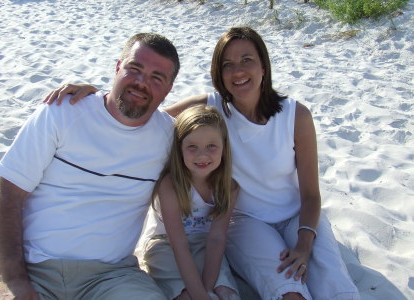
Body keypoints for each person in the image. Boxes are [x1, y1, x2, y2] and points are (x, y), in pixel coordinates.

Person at [43, 27, 360, 299]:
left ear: (264, 66)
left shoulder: (295, 115)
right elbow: (145, 116)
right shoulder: (211, 108)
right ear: (218, 74)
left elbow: (311, 195)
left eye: (247, 60)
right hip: (245, 220)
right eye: (227, 64)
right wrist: (99, 97)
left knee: (334, 284)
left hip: (298, 215)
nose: (238, 72)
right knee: (288, 290)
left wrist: (304, 244)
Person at [0, 32, 180, 300]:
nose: (141, 82)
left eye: (157, 78)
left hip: (111, 277)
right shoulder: (63, 111)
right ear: (117, 67)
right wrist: (14, 280)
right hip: (32, 268)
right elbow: (7, 192)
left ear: (169, 89)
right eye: (134, 69)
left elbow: (210, 116)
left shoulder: (168, 137)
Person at [143, 105, 240, 300]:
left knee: (224, 292)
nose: (202, 155)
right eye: (192, 147)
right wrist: (199, 294)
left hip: (205, 242)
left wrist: (207, 288)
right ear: (180, 149)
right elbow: (178, 243)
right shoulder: (171, 185)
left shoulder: (228, 187)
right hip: (165, 245)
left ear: (224, 147)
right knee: (186, 295)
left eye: (211, 146)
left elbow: (217, 238)